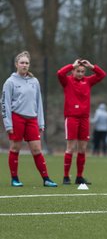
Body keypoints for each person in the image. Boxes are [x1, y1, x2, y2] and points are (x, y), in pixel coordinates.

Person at [1, 51, 57, 187]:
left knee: (37, 149)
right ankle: (15, 179)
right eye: (22, 63)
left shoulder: (34, 81)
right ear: (16, 64)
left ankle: (46, 179)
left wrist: (41, 122)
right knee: (15, 148)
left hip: (32, 119)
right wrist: (8, 124)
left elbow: (39, 103)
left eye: (27, 63)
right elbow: (5, 104)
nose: (24, 65)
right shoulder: (10, 82)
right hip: (16, 118)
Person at [57, 58, 106, 185]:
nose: (80, 73)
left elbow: (102, 75)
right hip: (72, 117)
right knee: (70, 148)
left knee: (82, 149)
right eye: (77, 71)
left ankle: (79, 176)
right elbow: (60, 73)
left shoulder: (88, 81)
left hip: (84, 118)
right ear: (73, 71)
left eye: (82, 71)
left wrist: (91, 66)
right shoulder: (67, 81)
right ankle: (66, 176)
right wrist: (71, 65)